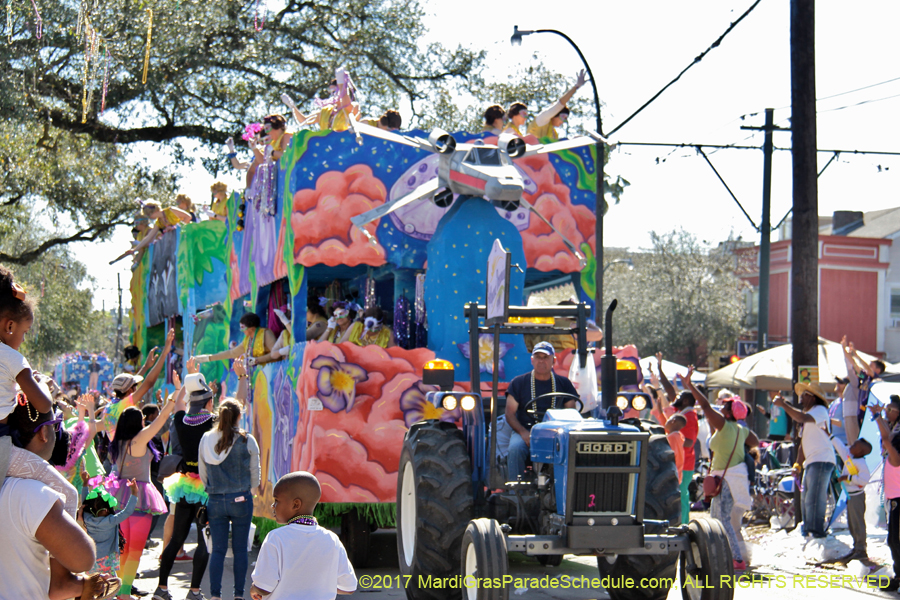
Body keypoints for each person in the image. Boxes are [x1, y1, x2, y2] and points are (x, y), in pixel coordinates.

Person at [1, 401, 121, 600]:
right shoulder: (32, 493)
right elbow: (82, 559)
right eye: (56, 426)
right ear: (44, 433)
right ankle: (64, 582)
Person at [0, 266, 81, 517]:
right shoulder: (13, 358)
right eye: (24, 333)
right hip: (2, 447)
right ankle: (55, 556)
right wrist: (44, 387)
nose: (23, 340)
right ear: (10, 326)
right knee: (69, 494)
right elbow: (44, 406)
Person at [682, 368, 758, 572]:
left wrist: (690, 385)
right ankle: (723, 555)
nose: (720, 407)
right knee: (717, 520)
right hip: (734, 479)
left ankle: (736, 559)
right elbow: (756, 442)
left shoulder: (724, 425)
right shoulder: (742, 429)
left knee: (722, 520)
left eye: (724, 406)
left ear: (729, 413)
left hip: (725, 479)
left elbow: (705, 405)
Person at [154, 373, 216, 600]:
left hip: (185, 484)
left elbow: (179, 404)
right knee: (204, 541)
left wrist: (184, 388)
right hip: (205, 489)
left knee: (176, 539)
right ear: (209, 402)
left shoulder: (180, 421)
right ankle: (194, 591)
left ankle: (161, 589)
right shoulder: (213, 422)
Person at [250, 471, 357, 600]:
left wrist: (254, 588)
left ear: (296, 504)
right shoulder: (331, 539)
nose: (273, 506)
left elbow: (264, 586)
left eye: (277, 500)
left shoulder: (276, 538)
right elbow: (349, 587)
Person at [108, 393, 174, 599]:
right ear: (138, 423)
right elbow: (161, 420)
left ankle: (119, 590)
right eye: (143, 421)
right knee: (135, 551)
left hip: (118, 498)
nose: (146, 423)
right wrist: (174, 398)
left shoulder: (115, 442)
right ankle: (125, 593)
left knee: (123, 550)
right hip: (139, 498)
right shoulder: (139, 440)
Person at [199, 398, 261, 600]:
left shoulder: (206, 438)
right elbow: (255, 472)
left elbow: (203, 473)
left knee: (217, 550)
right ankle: (239, 595)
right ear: (238, 416)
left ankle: (215, 595)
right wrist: (249, 490)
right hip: (241, 497)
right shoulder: (246, 439)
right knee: (241, 549)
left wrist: (213, 489)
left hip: (215, 499)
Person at [504, 342, 578, 480]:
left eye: (545, 357)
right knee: (515, 448)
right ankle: (515, 493)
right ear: (532, 360)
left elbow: (572, 412)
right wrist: (523, 432)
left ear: (553, 361)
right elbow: (510, 414)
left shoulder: (564, 384)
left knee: (575, 449)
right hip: (526, 432)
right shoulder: (518, 383)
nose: (541, 361)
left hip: (557, 434)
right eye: (538, 357)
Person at [774, 382, 836, 539]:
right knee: (806, 499)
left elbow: (799, 416)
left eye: (804, 395)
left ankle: (816, 532)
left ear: (813, 398)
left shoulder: (819, 411)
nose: (801, 398)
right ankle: (809, 531)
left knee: (814, 499)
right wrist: (797, 464)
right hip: (812, 461)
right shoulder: (808, 416)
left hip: (822, 459)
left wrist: (783, 404)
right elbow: (802, 443)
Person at [654, 353, 699, 524]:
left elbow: (690, 441)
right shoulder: (682, 414)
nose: (675, 399)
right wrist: (660, 369)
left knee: (682, 494)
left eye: (680, 398)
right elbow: (671, 391)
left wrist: (676, 439)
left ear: (687, 400)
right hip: (679, 461)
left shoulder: (690, 417)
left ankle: (684, 523)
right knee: (677, 493)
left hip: (685, 463)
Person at [81, 473, 139, 576]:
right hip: (107, 561)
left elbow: (84, 503)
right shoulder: (111, 521)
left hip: (90, 559)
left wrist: (85, 484)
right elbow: (127, 512)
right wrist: (134, 493)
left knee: (93, 585)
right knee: (110, 585)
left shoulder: (87, 518)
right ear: (107, 509)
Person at [830, 433, 872, 561]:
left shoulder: (861, 463)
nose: (851, 446)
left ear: (860, 451)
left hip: (857, 497)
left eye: (854, 445)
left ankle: (861, 548)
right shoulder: (850, 457)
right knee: (852, 523)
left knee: (857, 522)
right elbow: (841, 448)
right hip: (850, 496)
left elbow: (864, 479)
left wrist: (847, 478)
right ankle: (856, 546)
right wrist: (830, 436)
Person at [873, 397, 900, 591]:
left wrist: (888, 445)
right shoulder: (896, 429)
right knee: (893, 539)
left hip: (898, 495)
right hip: (894, 496)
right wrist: (877, 417)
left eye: (890, 409)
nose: (887, 412)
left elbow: (890, 444)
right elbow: (887, 437)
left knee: (895, 539)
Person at [527, 70, 587, 141]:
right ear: (555, 114)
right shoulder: (542, 119)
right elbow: (559, 104)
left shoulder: (554, 133)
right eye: (563, 117)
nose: (563, 121)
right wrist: (576, 87)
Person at [196, 313, 276, 364]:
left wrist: (257, 360)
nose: (241, 330)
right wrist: (207, 358)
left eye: (242, 328)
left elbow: (275, 354)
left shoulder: (265, 334)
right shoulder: (248, 340)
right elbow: (231, 353)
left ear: (251, 327)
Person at [665, 413, 687, 483]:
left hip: (671, 474)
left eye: (668, 419)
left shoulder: (672, 437)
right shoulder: (679, 435)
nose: (666, 421)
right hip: (677, 473)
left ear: (673, 421)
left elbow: (671, 455)